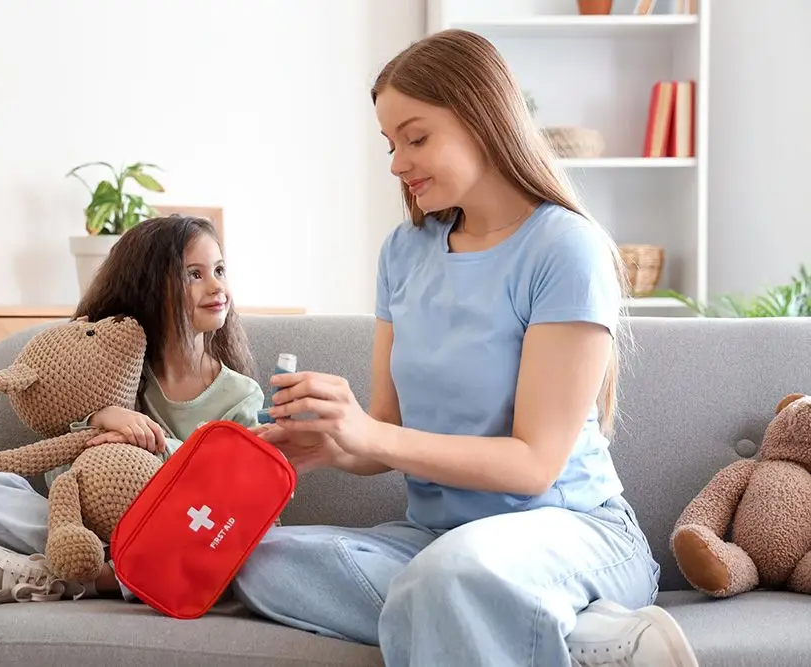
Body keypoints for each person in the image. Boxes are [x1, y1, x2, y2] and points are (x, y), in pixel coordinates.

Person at [231, 29, 699, 667]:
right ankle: (569, 631)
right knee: (255, 558)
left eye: (417, 137)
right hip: (438, 538)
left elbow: (534, 464)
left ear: (483, 118)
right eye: (390, 143)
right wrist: (339, 443)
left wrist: (372, 436)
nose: (397, 162)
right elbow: (391, 429)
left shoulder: (564, 248)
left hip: (569, 530)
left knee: (451, 577)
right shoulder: (404, 252)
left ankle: (500, 604)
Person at [0, 215, 265, 607]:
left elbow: (235, 500)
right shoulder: (114, 367)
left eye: (218, 270)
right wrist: (98, 420)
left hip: (173, 538)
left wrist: (158, 444)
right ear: (151, 289)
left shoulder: (240, 395)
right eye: (193, 275)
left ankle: (81, 579)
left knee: (241, 557)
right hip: (91, 528)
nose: (217, 286)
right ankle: (95, 566)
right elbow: (63, 476)